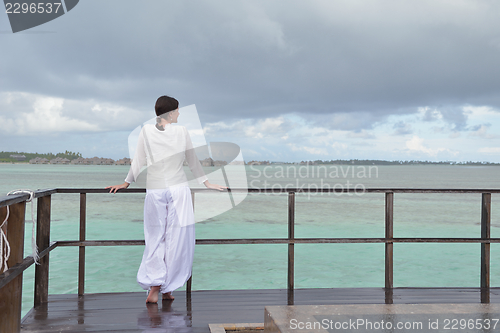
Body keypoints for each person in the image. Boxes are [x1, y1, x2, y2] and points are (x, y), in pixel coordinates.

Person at [106, 96, 226, 303]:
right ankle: (168, 287)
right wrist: (207, 183)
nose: (179, 114)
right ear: (170, 113)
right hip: (178, 189)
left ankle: (156, 287)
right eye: (178, 110)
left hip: (155, 190)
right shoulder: (182, 131)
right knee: (176, 240)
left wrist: (126, 182)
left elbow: (139, 160)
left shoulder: (146, 131)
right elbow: (192, 161)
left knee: (155, 238)